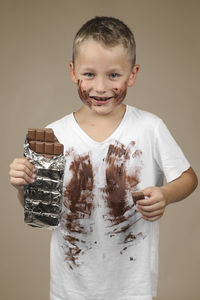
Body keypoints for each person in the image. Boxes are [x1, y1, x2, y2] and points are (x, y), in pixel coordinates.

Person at [9, 16, 198, 300]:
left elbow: (188, 178)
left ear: (132, 75)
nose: (100, 87)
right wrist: (23, 187)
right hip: (69, 288)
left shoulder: (150, 127)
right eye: (89, 74)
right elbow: (41, 215)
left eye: (113, 75)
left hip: (132, 288)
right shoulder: (53, 135)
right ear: (73, 72)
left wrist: (165, 194)